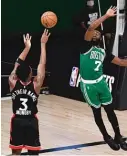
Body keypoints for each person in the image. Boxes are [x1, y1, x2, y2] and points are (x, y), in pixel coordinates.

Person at [80, 6, 127, 151]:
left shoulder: (103, 52)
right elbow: (91, 26)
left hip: (101, 83)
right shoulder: (85, 46)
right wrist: (106, 16)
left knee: (110, 110)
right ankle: (106, 136)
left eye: (97, 32)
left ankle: (118, 135)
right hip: (88, 85)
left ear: (100, 37)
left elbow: (121, 62)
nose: (95, 32)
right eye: (93, 32)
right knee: (97, 112)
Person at [8, 29, 50, 155]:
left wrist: (27, 47)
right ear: (31, 75)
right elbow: (42, 64)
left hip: (17, 121)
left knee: (16, 152)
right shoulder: (36, 85)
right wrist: (43, 44)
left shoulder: (12, 82)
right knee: (33, 153)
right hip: (31, 121)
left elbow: (17, 64)